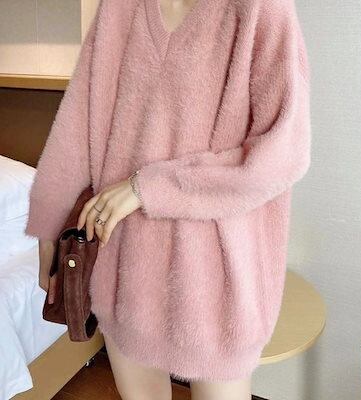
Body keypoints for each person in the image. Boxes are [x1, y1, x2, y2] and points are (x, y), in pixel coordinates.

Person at [25, 0, 311, 399]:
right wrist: (49, 228)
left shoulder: (259, 9)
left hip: (217, 284)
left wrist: (146, 188)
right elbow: (77, 122)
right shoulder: (119, 8)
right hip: (126, 268)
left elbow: (281, 154)